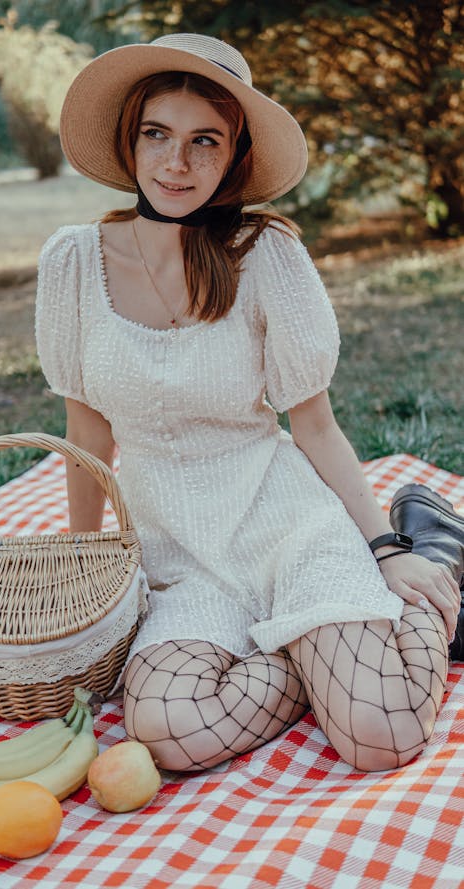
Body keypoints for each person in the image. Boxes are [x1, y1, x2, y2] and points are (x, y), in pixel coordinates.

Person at [36, 33, 463, 774]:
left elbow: (317, 426)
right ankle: (319, 658)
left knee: (381, 733)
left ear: (234, 156)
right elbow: (85, 434)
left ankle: (435, 562)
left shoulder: (265, 254)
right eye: (157, 134)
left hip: (284, 521)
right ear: (128, 139)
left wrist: (383, 548)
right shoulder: (71, 264)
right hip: (176, 554)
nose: (177, 163)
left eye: (205, 141)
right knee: (164, 728)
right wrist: (88, 571)